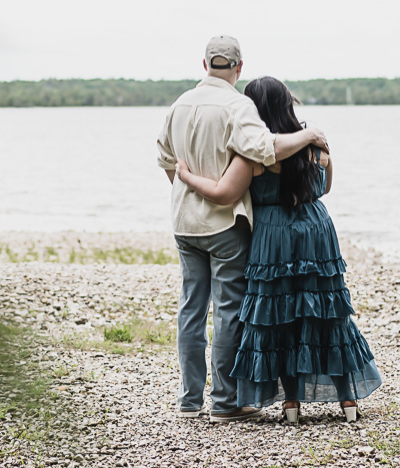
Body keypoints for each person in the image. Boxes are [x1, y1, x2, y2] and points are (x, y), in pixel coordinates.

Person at [175, 75, 382, 423]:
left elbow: (225, 190)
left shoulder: (255, 156)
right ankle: (348, 400)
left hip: (274, 233)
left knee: (280, 315)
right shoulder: (314, 144)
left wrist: (185, 176)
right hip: (316, 227)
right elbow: (326, 187)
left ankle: (292, 403)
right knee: (326, 312)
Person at [157, 36, 330, 423]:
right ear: (238, 67)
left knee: (191, 308)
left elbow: (168, 163)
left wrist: (189, 190)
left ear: (204, 65)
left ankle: (188, 402)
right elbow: (267, 148)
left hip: (185, 223)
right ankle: (224, 402)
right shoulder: (239, 106)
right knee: (229, 311)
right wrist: (308, 135)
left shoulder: (178, 105)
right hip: (225, 225)